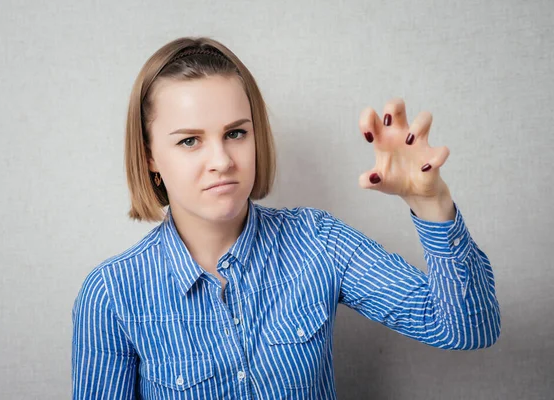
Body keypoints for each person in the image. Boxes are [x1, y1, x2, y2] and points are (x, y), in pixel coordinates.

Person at [71, 36, 501, 399]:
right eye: (189, 141)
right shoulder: (111, 295)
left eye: (236, 133)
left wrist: (431, 202)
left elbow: (466, 329)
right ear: (150, 157)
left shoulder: (318, 241)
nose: (221, 160)